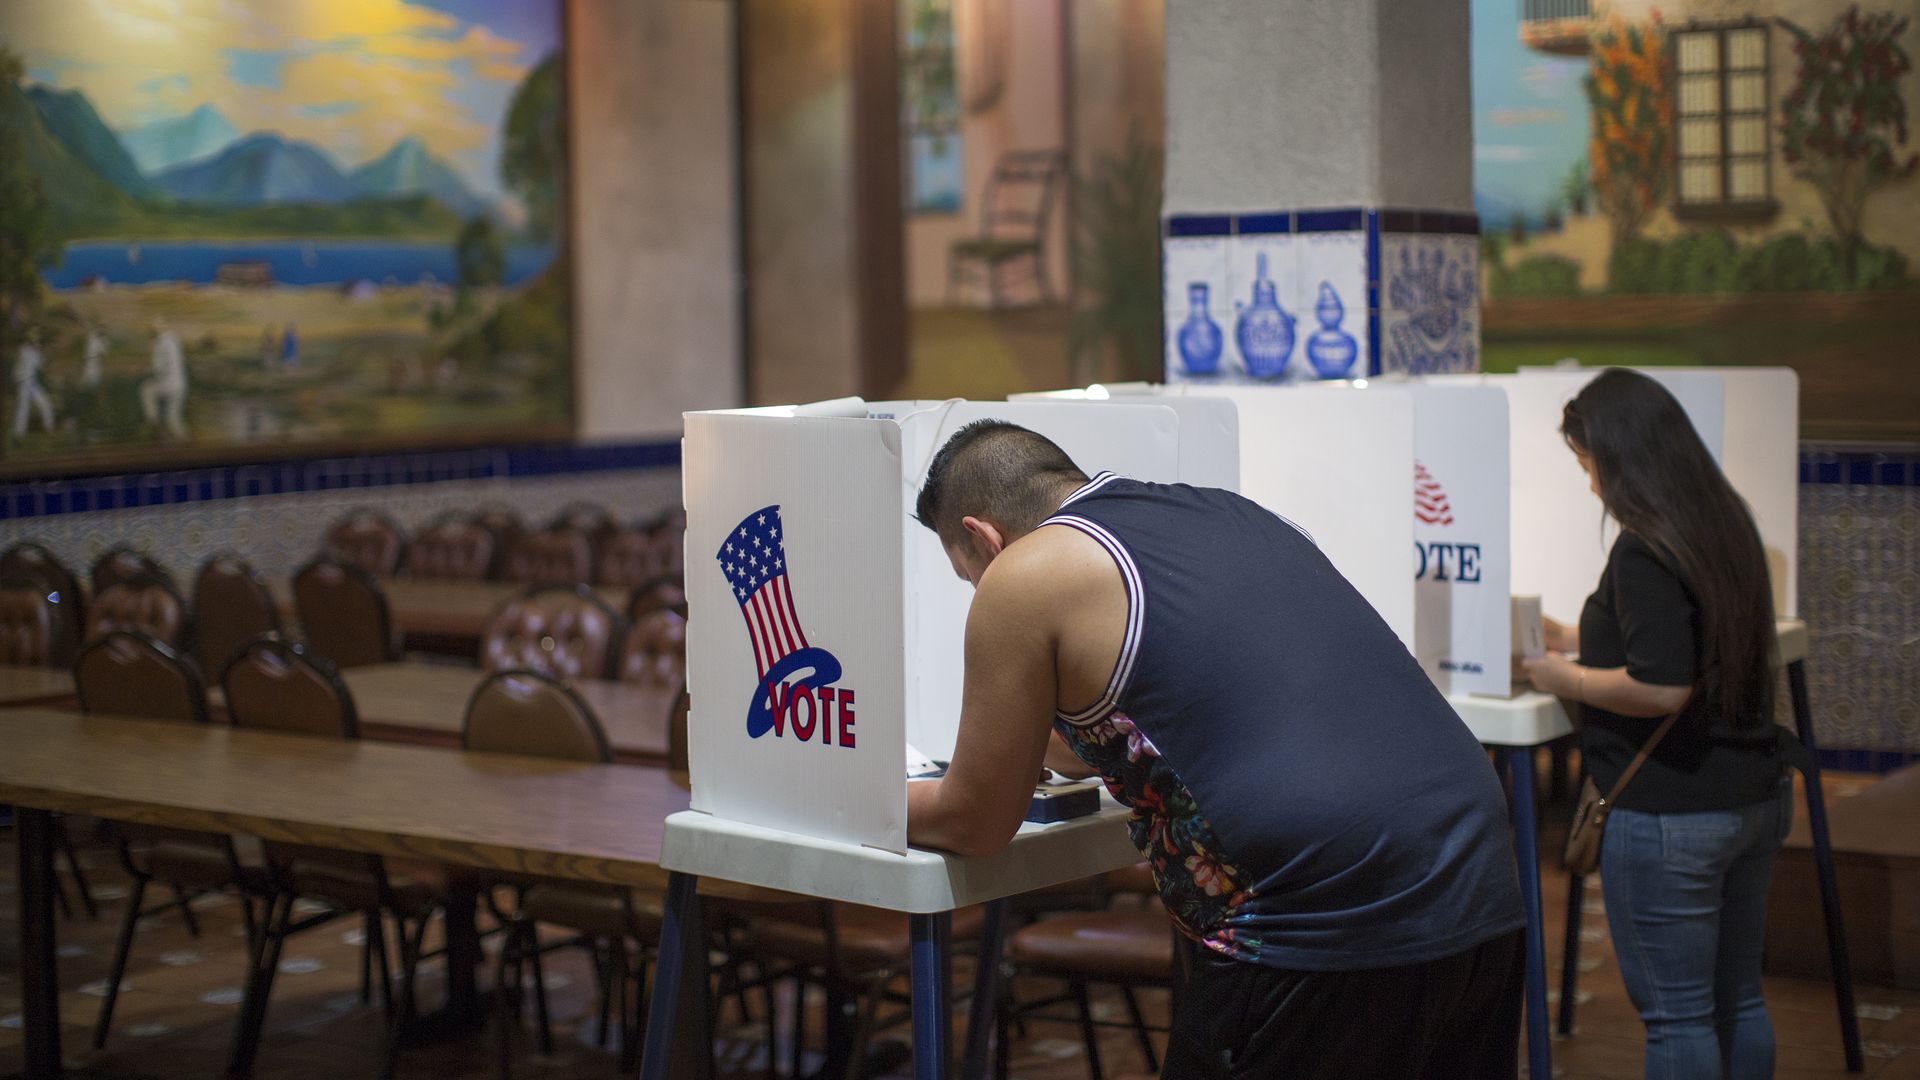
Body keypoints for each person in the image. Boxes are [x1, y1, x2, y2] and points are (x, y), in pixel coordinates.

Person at [909, 420, 1527, 1079]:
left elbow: (975, 821)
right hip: (1480, 882)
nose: (979, 590)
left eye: (968, 576)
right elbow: (1196, 717)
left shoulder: (1025, 570)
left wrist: (862, 796)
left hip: (1320, 923)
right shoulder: (1231, 513)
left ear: (984, 537)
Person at [1522, 369, 1788, 1080]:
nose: (1589, 485)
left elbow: (1662, 686)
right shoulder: (1724, 522)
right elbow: (1685, 642)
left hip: (1672, 812)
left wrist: (1564, 679)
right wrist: (1570, 637)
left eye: (1588, 464)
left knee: (1678, 1017)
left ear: (1623, 457)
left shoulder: (1643, 547)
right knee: (1738, 999)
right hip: (1753, 793)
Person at [140, 319, 188, 438]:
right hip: (180, 385)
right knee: (173, 418)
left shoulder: (159, 345)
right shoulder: (173, 339)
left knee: (146, 390)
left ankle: (154, 424)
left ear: (153, 334)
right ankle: (184, 440)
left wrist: (145, 370)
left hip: (168, 385)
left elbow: (158, 370)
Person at [11, 328, 56, 437]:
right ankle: (19, 434)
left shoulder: (35, 352)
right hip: (24, 382)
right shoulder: (23, 349)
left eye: (37, 337)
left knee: (45, 403)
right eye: (34, 337)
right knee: (23, 407)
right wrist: (18, 381)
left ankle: (49, 428)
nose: (36, 339)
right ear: (29, 338)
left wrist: (40, 351)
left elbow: (41, 365)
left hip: (33, 383)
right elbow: (18, 366)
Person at [81, 324, 106, 389]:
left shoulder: (99, 339)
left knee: (94, 374)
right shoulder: (92, 337)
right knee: (88, 374)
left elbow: (104, 351)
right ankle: (86, 388)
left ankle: (92, 388)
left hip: (94, 359)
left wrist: (103, 341)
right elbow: (104, 350)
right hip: (90, 359)